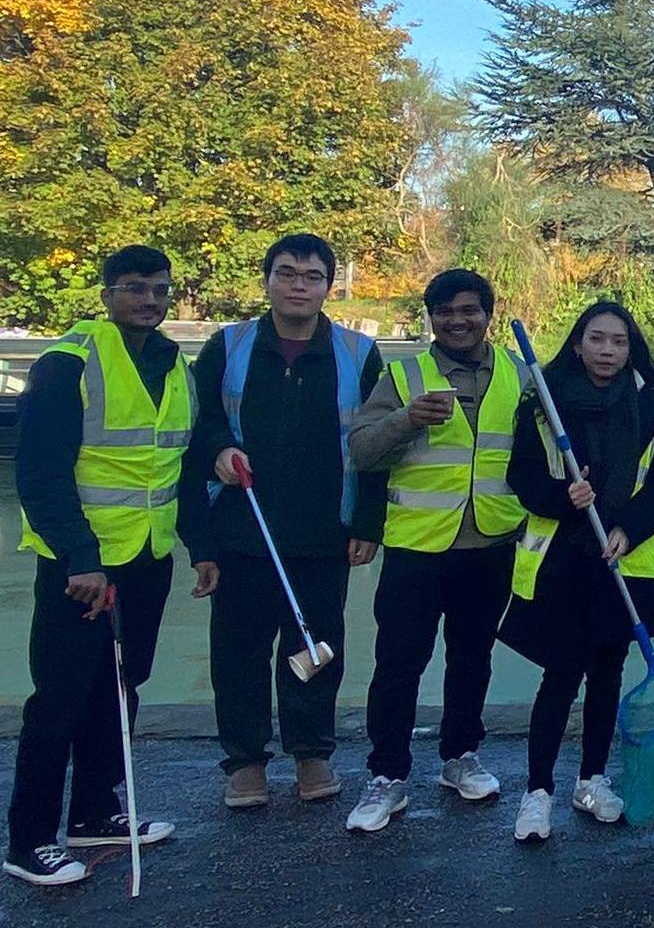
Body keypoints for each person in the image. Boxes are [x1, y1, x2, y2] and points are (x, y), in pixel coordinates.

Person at [8, 246, 217, 886]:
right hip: (84, 564)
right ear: (106, 295)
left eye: (159, 289)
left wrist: (200, 546)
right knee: (61, 698)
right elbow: (40, 473)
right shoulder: (68, 363)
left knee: (120, 686)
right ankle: (29, 841)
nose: (149, 301)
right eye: (134, 289)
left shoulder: (171, 364)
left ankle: (96, 811)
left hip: (146, 556)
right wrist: (79, 555)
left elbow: (179, 468)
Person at [192, 233, 384, 811]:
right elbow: (197, 424)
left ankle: (310, 751)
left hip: (324, 528)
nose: (299, 285)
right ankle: (246, 761)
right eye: (287, 273)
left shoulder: (356, 353)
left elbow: (374, 442)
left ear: (330, 285)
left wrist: (367, 522)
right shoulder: (228, 347)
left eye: (312, 276)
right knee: (239, 650)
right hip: (242, 528)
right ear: (267, 279)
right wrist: (220, 450)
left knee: (315, 644)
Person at [343, 269, 528, 833]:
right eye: (444, 311)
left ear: (488, 314)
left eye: (469, 309)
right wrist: (405, 420)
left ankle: (460, 757)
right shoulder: (403, 377)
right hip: (416, 546)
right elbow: (361, 453)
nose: (457, 320)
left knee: (472, 658)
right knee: (399, 663)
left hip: (492, 543)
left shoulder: (520, 377)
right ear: (431, 317)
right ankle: (387, 775)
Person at [501, 302, 654, 843]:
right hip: (564, 558)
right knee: (560, 675)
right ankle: (537, 793)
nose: (607, 351)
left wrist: (630, 526)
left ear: (632, 348)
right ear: (577, 343)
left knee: (607, 675)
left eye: (619, 342)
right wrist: (564, 496)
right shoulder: (545, 400)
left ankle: (592, 780)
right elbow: (523, 475)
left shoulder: (650, 403)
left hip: (622, 558)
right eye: (597, 339)